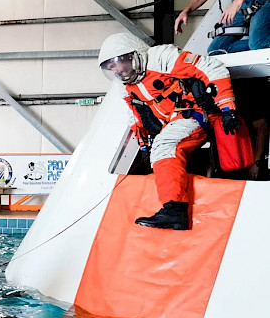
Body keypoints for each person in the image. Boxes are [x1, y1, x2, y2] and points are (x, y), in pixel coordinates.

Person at [98, 32, 239, 230]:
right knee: (161, 148)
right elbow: (136, 117)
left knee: (165, 146)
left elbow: (211, 67)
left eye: (115, 65)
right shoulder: (126, 87)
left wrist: (227, 108)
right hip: (172, 122)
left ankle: (174, 210)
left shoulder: (161, 58)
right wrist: (144, 145)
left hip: (195, 113)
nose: (116, 72)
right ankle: (174, 207)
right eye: (110, 69)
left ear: (131, 56)